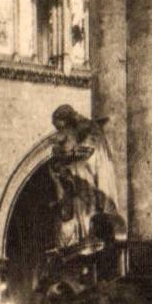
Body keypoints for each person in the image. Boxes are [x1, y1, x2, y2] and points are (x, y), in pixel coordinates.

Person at [48, 104, 125, 253]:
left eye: (61, 127)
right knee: (79, 203)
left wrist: (70, 157)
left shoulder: (90, 131)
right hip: (83, 181)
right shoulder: (77, 139)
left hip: (93, 177)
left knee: (89, 204)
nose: (60, 132)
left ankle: (87, 235)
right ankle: (83, 237)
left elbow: (90, 151)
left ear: (68, 121)